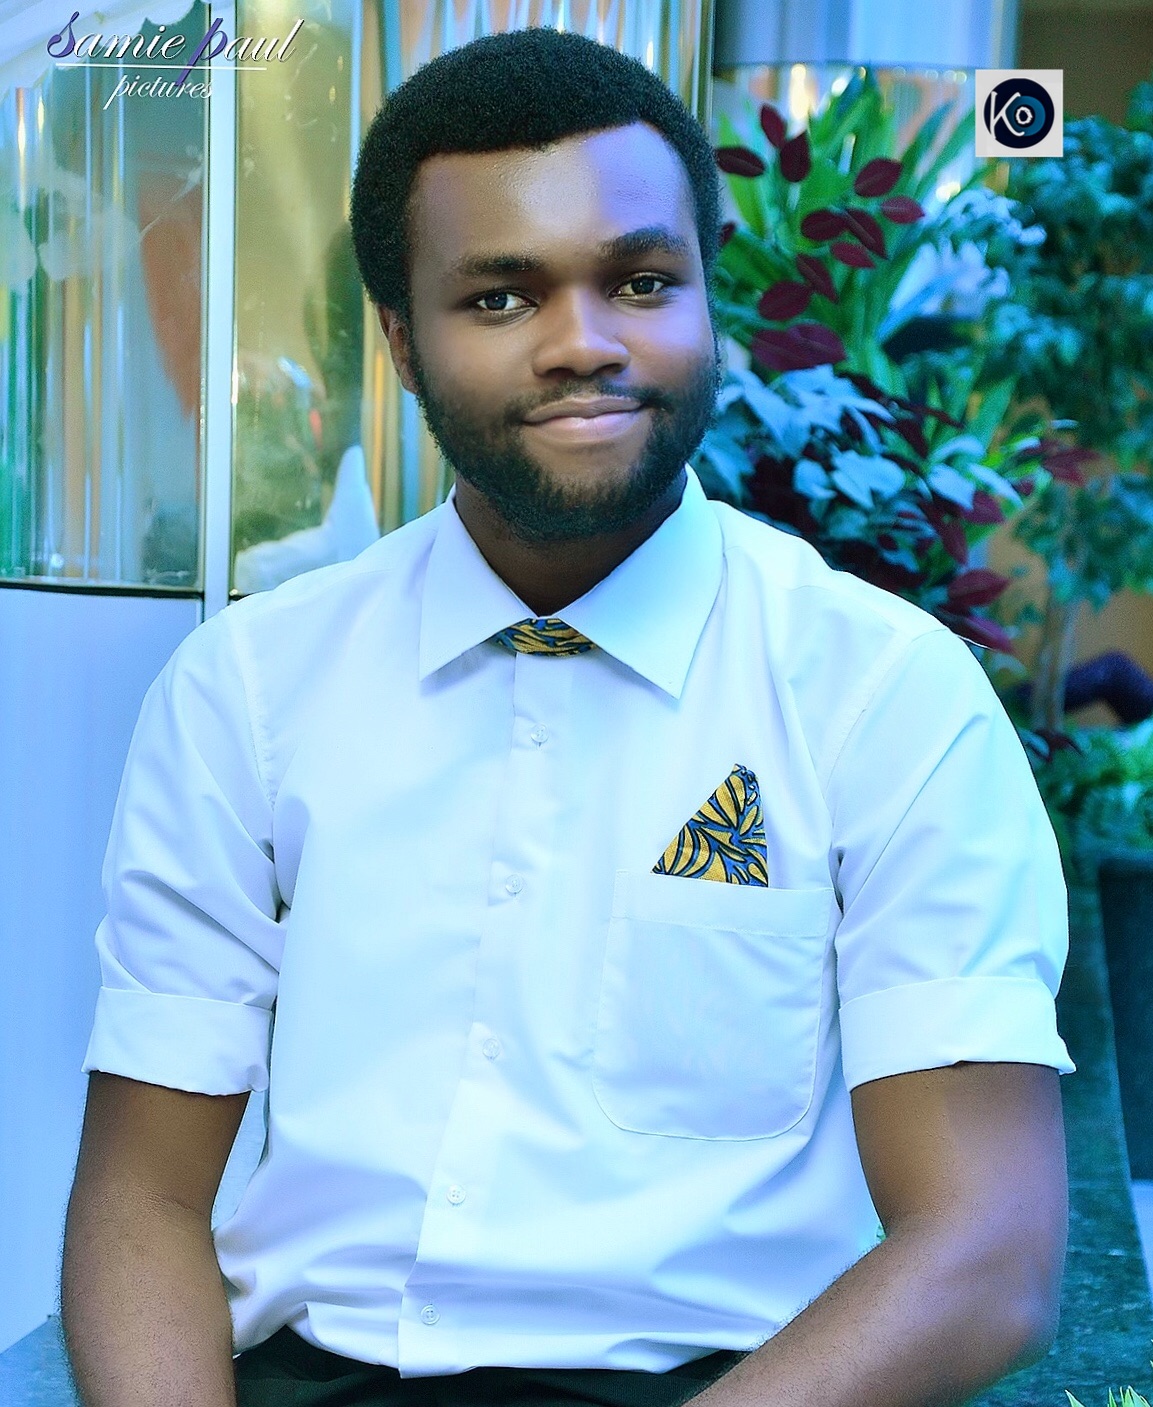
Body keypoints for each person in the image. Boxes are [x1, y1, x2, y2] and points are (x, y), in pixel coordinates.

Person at [61, 27, 1072, 1407]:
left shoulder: (882, 698)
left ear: (707, 299)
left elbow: (984, 1249)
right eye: (499, 297)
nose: (584, 344)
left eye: (642, 282)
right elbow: (144, 1198)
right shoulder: (248, 690)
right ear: (401, 342)